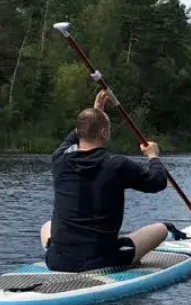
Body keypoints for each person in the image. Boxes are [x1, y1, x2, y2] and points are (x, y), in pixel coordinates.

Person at [41, 89, 176, 273]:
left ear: (80, 132)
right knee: (161, 230)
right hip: (100, 261)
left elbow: (76, 135)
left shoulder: (59, 159)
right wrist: (153, 156)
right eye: (109, 129)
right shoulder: (116, 164)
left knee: (46, 226)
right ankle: (122, 258)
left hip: (56, 261)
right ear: (104, 133)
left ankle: (65, 254)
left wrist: (95, 111)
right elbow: (158, 181)